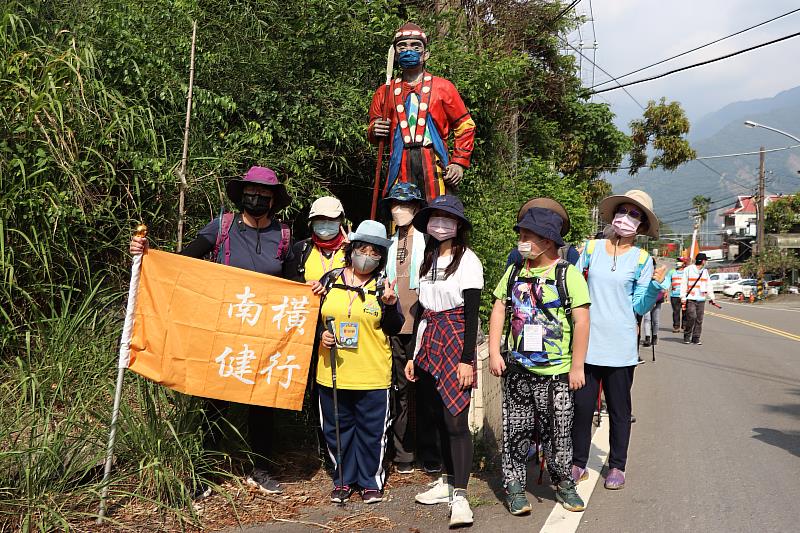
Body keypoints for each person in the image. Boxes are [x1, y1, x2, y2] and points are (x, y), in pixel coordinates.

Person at [129, 165, 295, 497]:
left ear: (274, 199)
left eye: (265, 194)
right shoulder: (223, 227)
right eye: (253, 192)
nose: (258, 198)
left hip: (264, 334)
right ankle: (203, 474)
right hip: (222, 330)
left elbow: (293, 286)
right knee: (213, 399)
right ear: (242, 193)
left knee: (263, 402)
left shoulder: (285, 236)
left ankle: (260, 469)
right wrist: (147, 255)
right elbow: (182, 262)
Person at [487, 205, 591, 516]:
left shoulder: (568, 275)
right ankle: (515, 487)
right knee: (515, 431)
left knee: (558, 432)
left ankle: (564, 483)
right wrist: (494, 351)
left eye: (526, 235)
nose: (521, 240)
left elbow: (582, 322)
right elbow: (498, 309)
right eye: (520, 234)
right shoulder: (515, 270)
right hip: (518, 369)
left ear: (547, 240)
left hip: (557, 371)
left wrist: (577, 366)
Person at [571, 190, 666, 491]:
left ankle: (617, 466)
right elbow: (572, 286)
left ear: (641, 224)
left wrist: (654, 287)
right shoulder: (590, 248)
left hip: (621, 347)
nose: (626, 218)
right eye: (623, 211)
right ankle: (577, 462)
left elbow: (639, 306)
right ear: (613, 215)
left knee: (619, 411)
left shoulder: (642, 259)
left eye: (634, 214)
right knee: (582, 409)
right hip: (587, 344)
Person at [403, 195, 483, 528]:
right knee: (435, 415)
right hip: (429, 339)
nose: (439, 223)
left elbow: (471, 312)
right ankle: (447, 482)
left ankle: (462, 497)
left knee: (455, 421)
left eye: (446, 218)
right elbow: (422, 308)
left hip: (455, 339)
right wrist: (412, 354)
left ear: (458, 225)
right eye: (434, 217)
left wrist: (467, 360)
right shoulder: (428, 257)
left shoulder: (468, 260)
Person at [312, 221, 405, 504]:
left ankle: (369, 480)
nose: (367, 255)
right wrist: (321, 336)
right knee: (336, 430)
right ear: (351, 249)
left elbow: (394, 327)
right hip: (331, 372)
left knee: (371, 431)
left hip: (372, 373)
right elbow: (308, 319)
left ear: (381, 256)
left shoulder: (383, 286)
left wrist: (389, 305)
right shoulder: (329, 280)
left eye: (374, 251)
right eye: (362, 248)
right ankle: (343, 479)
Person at [368, 23, 476, 201]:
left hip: (434, 163)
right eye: (402, 46)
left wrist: (458, 162)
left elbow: (465, 126)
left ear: (425, 54)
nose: (408, 50)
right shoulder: (384, 91)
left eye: (415, 46)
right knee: (401, 212)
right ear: (394, 54)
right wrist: (375, 129)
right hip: (400, 162)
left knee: (436, 213)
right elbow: (374, 132)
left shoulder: (443, 87)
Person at [381, 183, 442, 475]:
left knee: (427, 389)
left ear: (417, 209)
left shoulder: (429, 242)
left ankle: (430, 451)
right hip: (395, 325)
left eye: (404, 205)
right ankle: (404, 452)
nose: (398, 210)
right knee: (400, 391)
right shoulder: (386, 243)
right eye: (394, 205)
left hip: (424, 325)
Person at [285, 196, 347, 282]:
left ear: (341, 221)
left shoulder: (350, 250)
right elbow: (290, 281)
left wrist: (352, 250)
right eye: (320, 219)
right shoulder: (301, 248)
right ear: (312, 221)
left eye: (331, 218)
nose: (326, 223)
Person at [506, 198, 580, 267]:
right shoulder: (516, 257)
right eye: (520, 236)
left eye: (526, 237)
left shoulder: (569, 255)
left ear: (547, 242)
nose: (520, 242)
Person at [680, 253, 715, 345]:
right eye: (705, 260)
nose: (706, 262)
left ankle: (696, 338)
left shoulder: (705, 271)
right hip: (691, 298)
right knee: (692, 316)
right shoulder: (688, 270)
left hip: (701, 298)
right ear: (702, 261)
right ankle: (687, 335)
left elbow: (708, 284)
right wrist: (683, 297)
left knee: (699, 319)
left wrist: (712, 297)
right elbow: (684, 283)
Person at [641, 257, 666, 347]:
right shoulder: (643, 275)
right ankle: (647, 337)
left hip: (657, 299)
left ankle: (654, 336)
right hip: (647, 300)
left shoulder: (658, 274)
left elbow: (662, 288)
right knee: (647, 319)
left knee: (655, 320)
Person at [662, 258, 686, 332]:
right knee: (676, 311)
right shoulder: (672, 272)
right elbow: (667, 282)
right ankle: (676, 326)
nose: (678, 263)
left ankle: (685, 326)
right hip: (674, 295)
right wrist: (665, 291)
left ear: (684, 263)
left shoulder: (687, 271)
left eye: (680, 261)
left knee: (685, 311)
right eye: (678, 261)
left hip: (685, 295)